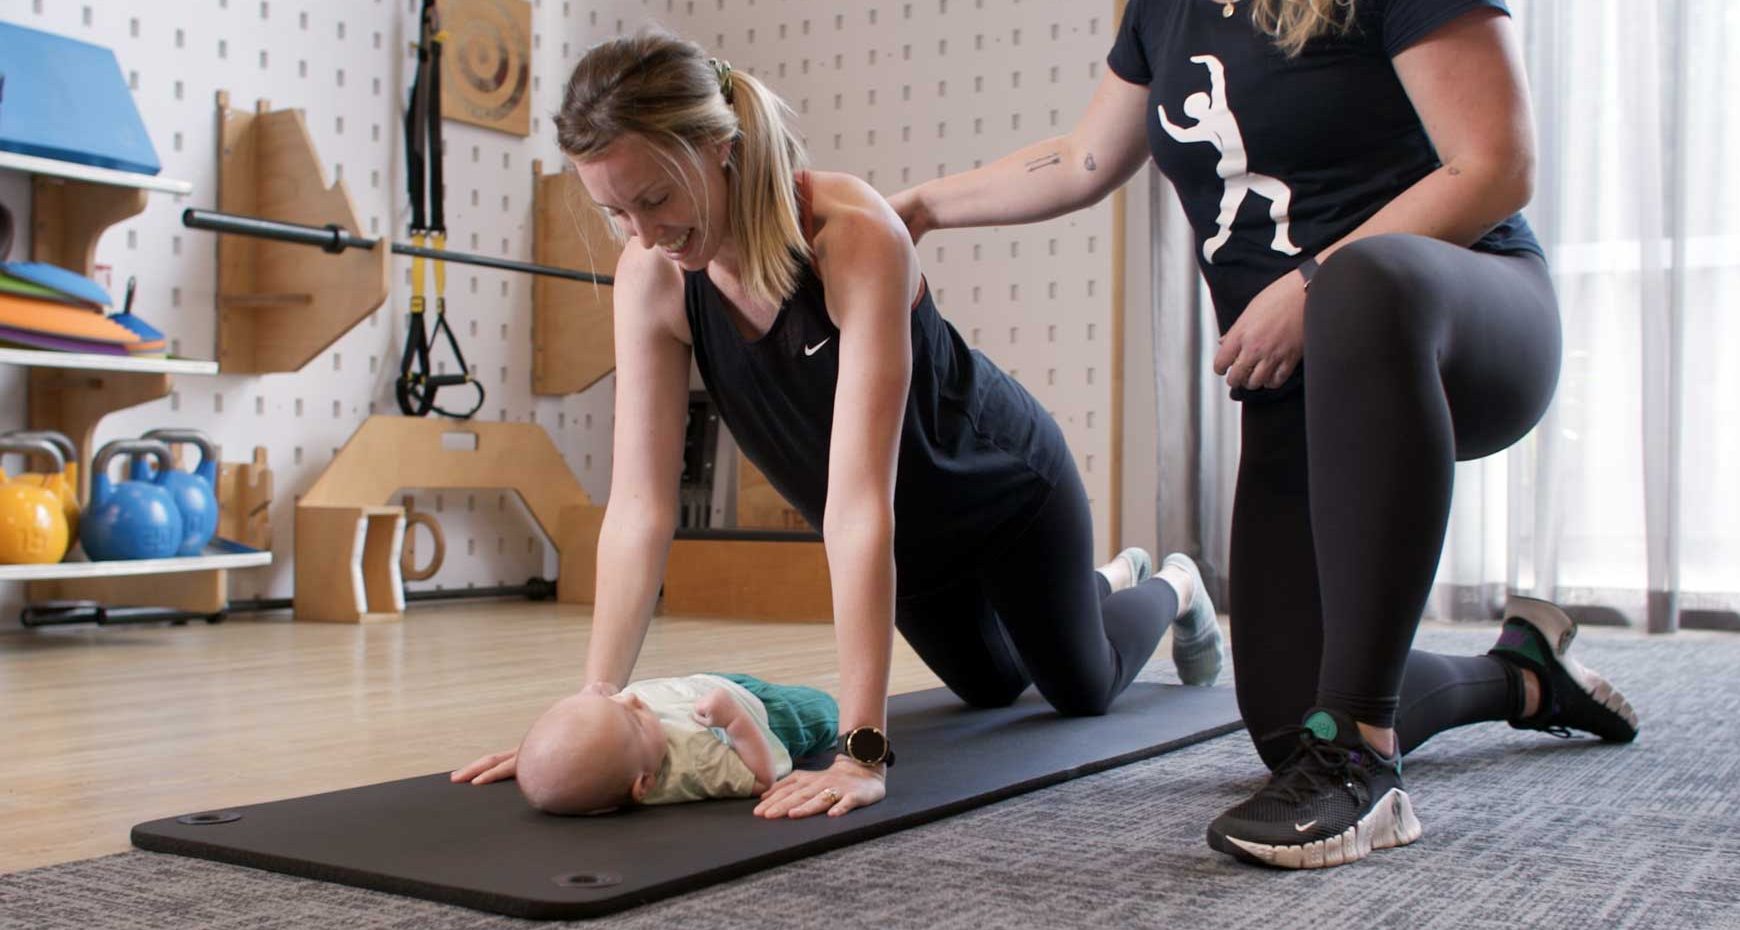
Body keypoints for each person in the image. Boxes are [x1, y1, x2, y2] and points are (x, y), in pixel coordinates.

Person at [888, 0, 1638, 869]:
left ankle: (1366, 765)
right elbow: (1082, 158)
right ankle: (1526, 673)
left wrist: (1316, 280)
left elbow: (1496, 165)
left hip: (1469, 322)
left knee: (1360, 282)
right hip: (1303, 384)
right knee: (1290, 723)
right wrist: (917, 206)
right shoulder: (1162, 10)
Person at [454, 31, 1225, 820]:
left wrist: (863, 751)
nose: (644, 235)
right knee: (992, 687)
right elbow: (640, 508)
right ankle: (1094, 586)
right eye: (614, 212)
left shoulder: (850, 236)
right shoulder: (652, 278)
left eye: (654, 199)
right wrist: (591, 714)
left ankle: (1170, 581)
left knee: (1081, 687)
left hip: (1004, 492)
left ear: (719, 148)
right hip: (906, 544)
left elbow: (858, 505)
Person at [464, 673, 838, 814]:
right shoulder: (697, 762)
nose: (630, 700)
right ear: (643, 784)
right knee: (827, 709)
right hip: (770, 713)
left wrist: (599, 695)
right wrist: (736, 722)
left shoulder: (623, 747)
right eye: (633, 718)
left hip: (702, 686)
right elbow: (761, 778)